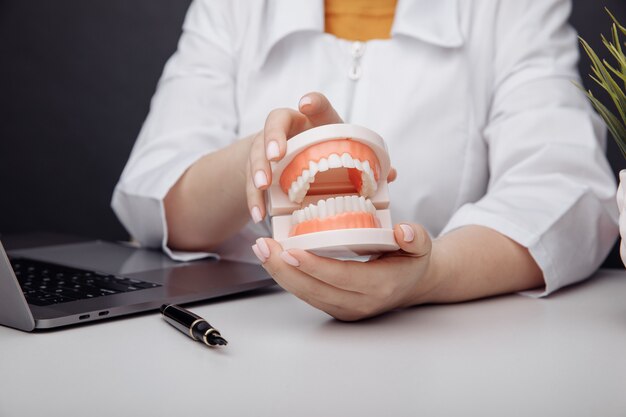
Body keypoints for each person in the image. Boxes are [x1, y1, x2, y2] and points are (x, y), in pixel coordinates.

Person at [112, 0, 618, 321]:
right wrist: (260, 161)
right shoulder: (232, 8)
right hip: (246, 330)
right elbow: (152, 191)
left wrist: (433, 273)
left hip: (435, 348)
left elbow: (564, 188)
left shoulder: (512, 9)